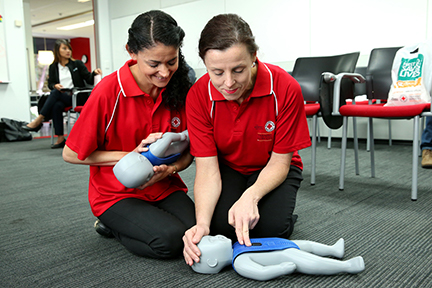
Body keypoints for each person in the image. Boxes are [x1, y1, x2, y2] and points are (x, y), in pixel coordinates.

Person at [62, 10, 195, 259]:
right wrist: (131, 155)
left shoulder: (180, 88)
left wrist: (172, 169)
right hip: (115, 194)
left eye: (171, 61)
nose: (165, 73)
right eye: (153, 64)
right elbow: (70, 154)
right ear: (132, 52)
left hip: (162, 185)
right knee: (170, 242)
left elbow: (189, 152)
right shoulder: (108, 92)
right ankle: (111, 225)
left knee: (199, 232)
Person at [183, 14, 311, 266]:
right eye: (217, 72)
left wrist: (250, 197)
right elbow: (207, 170)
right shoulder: (198, 95)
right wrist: (202, 225)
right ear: (204, 64)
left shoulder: (284, 87)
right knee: (221, 229)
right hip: (228, 167)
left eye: (238, 70)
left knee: (271, 230)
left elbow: (280, 163)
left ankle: (280, 215)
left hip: (273, 167)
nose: (228, 83)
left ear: (253, 57)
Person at [23, 39, 102, 148]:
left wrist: (94, 73)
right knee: (56, 105)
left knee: (55, 93)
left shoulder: (77, 64)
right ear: (57, 51)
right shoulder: (53, 67)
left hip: (76, 96)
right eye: (64, 48)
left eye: (69, 48)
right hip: (62, 97)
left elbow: (88, 80)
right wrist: (55, 85)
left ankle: (39, 119)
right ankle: (60, 138)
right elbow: (51, 84)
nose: (68, 51)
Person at [192, 235, 365, 281]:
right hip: (283, 254)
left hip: (279, 243)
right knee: (309, 261)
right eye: (212, 241)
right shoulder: (239, 261)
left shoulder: (237, 244)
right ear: (212, 262)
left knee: (307, 245)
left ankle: (333, 250)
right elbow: (260, 272)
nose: (216, 236)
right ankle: (346, 266)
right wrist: (280, 269)